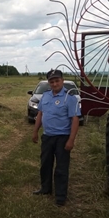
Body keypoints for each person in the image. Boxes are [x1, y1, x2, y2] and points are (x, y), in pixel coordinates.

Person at [32, 69, 80, 206]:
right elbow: (40, 114)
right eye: (51, 81)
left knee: (61, 168)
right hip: (47, 137)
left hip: (62, 138)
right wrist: (35, 131)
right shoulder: (45, 96)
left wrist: (71, 140)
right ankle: (45, 188)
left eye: (57, 81)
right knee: (45, 164)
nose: (54, 84)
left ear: (62, 80)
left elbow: (75, 119)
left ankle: (60, 196)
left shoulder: (69, 98)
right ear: (49, 83)